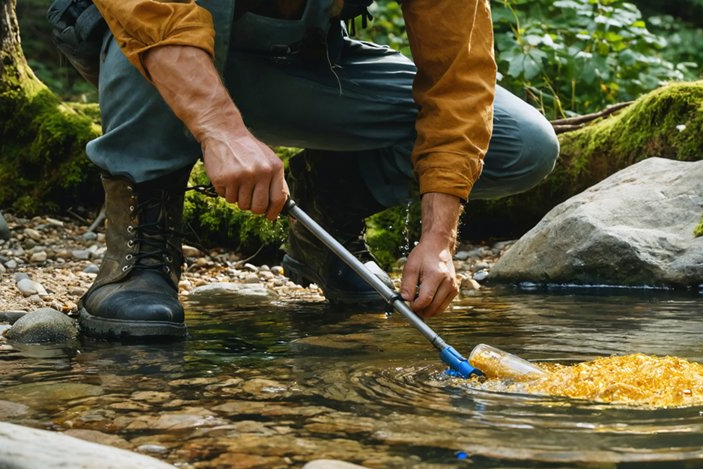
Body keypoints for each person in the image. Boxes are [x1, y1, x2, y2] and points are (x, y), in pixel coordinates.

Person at [76, 0, 559, 339]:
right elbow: (146, 9)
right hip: (149, 51)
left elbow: (459, 79)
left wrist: (438, 240)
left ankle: (328, 218)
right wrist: (221, 129)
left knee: (520, 144)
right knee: (150, 24)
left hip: (296, 66)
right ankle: (136, 260)